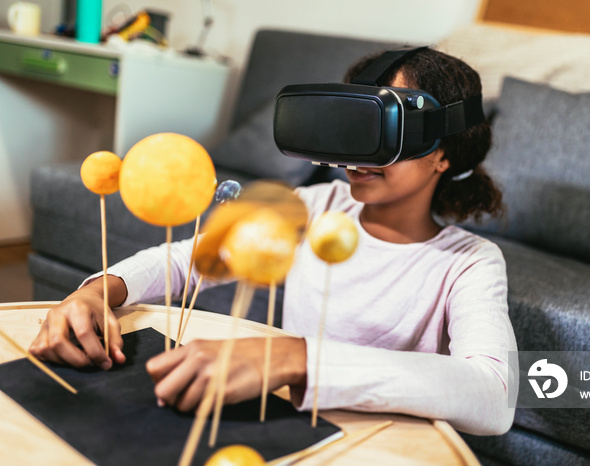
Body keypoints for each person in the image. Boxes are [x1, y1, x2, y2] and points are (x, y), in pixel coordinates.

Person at [29, 47, 518, 435]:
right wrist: (96, 290)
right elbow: (193, 259)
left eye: (384, 130)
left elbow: (493, 396)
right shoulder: (318, 205)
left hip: (374, 441)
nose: (358, 156)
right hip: (284, 425)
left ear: (445, 153)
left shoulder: (469, 262)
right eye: (352, 127)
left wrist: (293, 358)